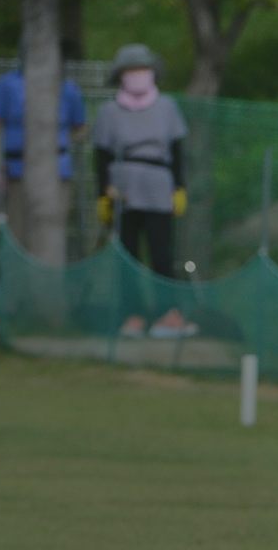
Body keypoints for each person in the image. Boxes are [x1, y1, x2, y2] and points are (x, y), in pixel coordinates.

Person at [91, 43, 194, 339]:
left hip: (158, 186)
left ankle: (168, 314)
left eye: (142, 70)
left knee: (162, 254)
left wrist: (179, 187)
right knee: (128, 256)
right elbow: (102, 155)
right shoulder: (110, 111)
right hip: (123, 188)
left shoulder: (167, 107)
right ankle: (132, 315)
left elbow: (177, 150)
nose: (137, 76)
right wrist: (103, 193)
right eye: (131, 71)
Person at [0, 43, 89, 252]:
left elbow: (81, 128)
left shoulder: (68, 88)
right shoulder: (8, 84)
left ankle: (48, 283)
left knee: (51, 234)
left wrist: (56, 142)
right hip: (16, 171)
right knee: (16, 233)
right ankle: (16, 283)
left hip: (56, 172)